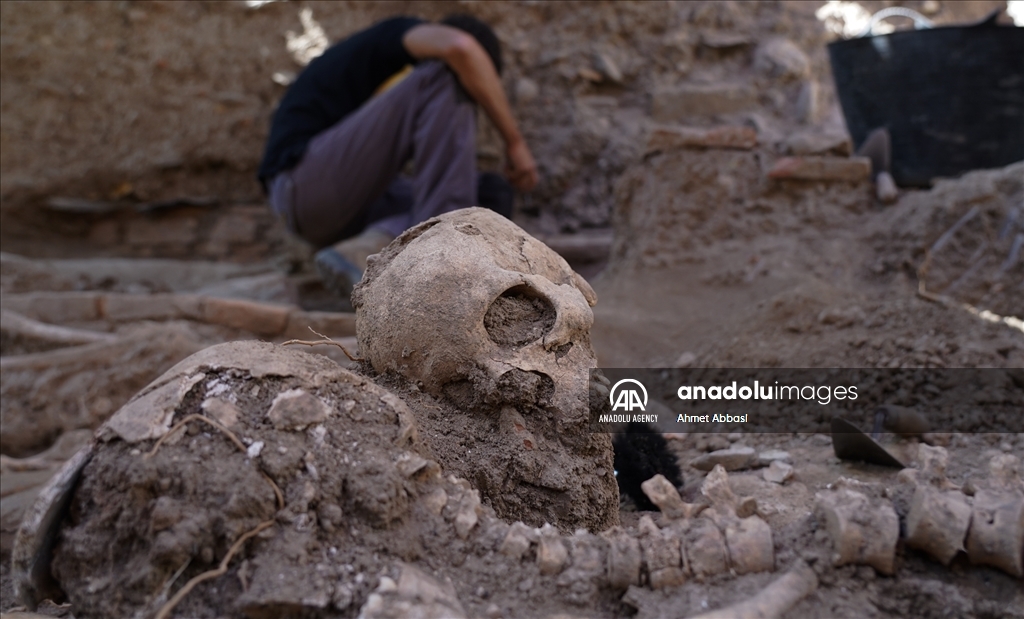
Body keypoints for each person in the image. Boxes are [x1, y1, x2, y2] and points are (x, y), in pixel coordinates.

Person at [257, 14, 539, 299]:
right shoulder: (397, 37)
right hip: (302, 186)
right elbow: (461, 48)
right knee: (445, 75)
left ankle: (370, 247)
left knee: (488, 199)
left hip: (356, 210)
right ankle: (446, 261)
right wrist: (514, 142)